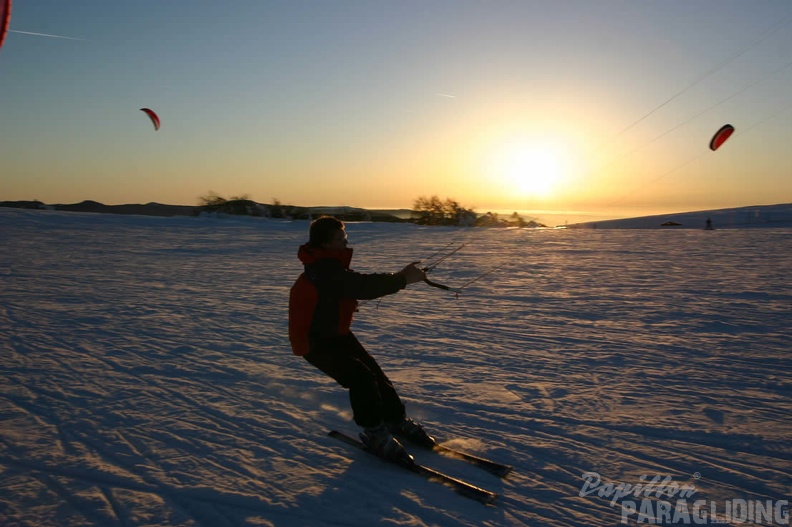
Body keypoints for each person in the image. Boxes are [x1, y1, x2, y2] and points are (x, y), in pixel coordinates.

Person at [289, 216, 432, 462]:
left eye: (345, 237)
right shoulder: (323, 271)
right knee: (361, 379)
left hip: (337, 335)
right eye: (339, 238)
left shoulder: (328, 266)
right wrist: (403, 279)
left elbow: (353, 284)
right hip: (314, 343)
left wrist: (400, 277)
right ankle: (375, 433)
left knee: (376, 375)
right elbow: (361, 286)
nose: (345, 242)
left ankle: (396, 421)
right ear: (324, 243)